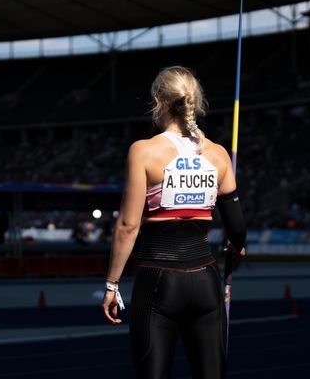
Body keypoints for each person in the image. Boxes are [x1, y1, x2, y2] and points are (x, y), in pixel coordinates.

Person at [102, 66, 247, 379]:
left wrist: (111, 284)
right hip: (206, 280)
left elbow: (128, 226)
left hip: (158, 278)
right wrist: (236, 246)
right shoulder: (219, 154)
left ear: (158, 101)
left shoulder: (143, 151)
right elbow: (237, 227)